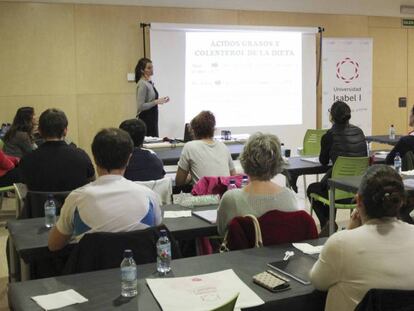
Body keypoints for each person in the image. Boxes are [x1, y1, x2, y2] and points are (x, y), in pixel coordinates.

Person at [310, 165, 414, 311]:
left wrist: (349, 232)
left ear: (358, 201)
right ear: (401, 201)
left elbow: (318, 281)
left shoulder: (341, 243)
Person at [48, 128, 162, 251]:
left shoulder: (76, 199)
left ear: (94, 158)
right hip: (140, 268)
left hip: (91, 268)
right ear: (129, 159)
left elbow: (54, 245)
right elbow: (158, 235)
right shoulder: (149, 196)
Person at [217, 133, 299, 236]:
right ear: (278, 162)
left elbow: (221, 231)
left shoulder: (231, 199)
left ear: (244, 160)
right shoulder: (289, 196)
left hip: (243, 251)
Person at [307, 101, 367, 229]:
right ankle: (329, 225)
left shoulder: (329, 135)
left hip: (337, 191)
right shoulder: (360, 132)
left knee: (313, 188)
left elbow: (323, 161)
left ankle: (328, 224)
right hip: (357, 190)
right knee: (329, 184)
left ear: (331, 117)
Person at [19, 108, 95, 192]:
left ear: (39, 131)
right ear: (65, 131)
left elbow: (24, 189)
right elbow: (92, 183)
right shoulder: (81, 156)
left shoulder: (27, 160)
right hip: (74, 205)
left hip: (39, 205)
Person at [175, 111, 236, 186]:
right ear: (213, 129)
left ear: (193, 131)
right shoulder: (223, 146)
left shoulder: (189, 147)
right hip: (225, 196)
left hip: (203, 197)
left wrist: (190, 177)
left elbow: (179, 182)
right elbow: (233, 178)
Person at [135, 57, 169, 137]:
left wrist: (161, 100)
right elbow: (140, 106)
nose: (152, 69)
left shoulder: (149, 82)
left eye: (152, 67)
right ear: (142, 70)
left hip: (153, 117)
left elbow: (151, 101)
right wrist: (156, 102)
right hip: (146, 118)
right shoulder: (142, 84)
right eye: (149, 68)